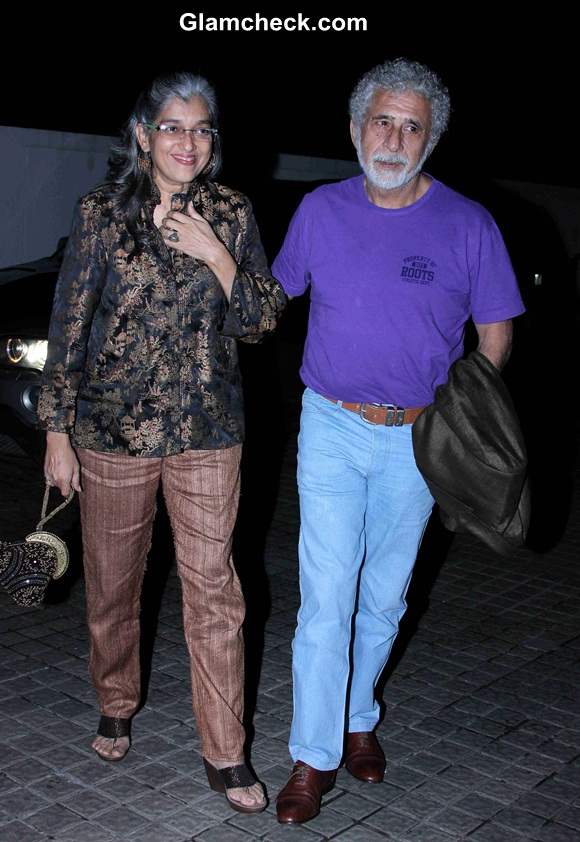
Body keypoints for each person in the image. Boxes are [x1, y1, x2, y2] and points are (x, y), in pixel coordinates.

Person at [272, 58, 525, 824]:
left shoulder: (468, 223)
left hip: (420, 439)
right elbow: (269, 296)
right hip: (332, 426)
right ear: (355, 128)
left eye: (412, 124)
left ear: (432, 137)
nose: (394, 137)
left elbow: (496, 331)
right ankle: (312, 758)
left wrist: (464, 418)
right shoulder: (320, 209)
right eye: (382, 120)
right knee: (326, 598)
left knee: (383, 598)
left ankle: (358, 721)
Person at [38, 71, 286, 814]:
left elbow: (263, 319)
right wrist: (57, 429)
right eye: (174, 126)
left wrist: (217, 252)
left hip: (210, 432)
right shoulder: (101, 215)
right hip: (112, 432)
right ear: (143, 134)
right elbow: (69, 327)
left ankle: (226, 750)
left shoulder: (232, 212)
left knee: (216, 592)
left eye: (203, 128)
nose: (189, 141)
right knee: (114, 587)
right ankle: (116, 698)